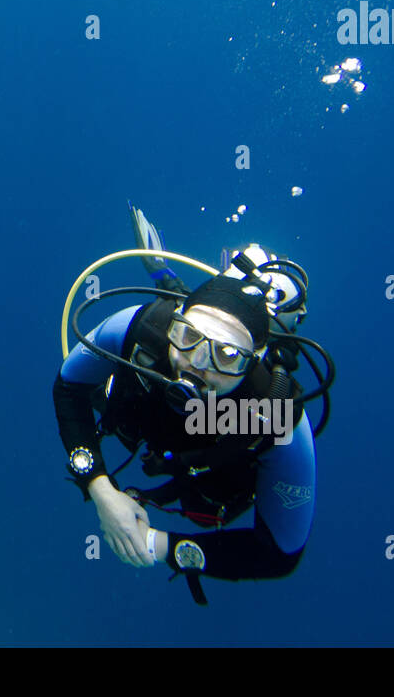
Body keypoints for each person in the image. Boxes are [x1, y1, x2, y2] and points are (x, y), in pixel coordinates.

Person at [53, 207, 332, 604]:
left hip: (208, 478)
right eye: (187, 336)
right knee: (121, 394)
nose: (198, 366)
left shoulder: (275, 416)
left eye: (228, 355)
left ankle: (191, 284)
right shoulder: (141, 328)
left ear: (254, 359)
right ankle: (166, 277)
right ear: (175, 322)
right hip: (146, 418)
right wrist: (99, 488)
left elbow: (281, 554)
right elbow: (69, 387)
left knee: (208, 499)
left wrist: (159, 544)